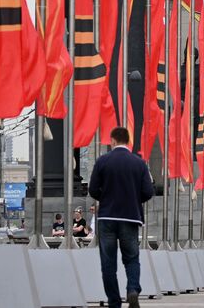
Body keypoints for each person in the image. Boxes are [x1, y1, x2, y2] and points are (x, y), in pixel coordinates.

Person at [87, 126, 155, 308]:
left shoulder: (103, 161)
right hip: (130, 217)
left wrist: (106, 197)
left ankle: (114, 302)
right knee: (132, 258)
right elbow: (148, 192)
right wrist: (132, 198)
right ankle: (132, 289)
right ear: (128, 141)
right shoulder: (139, 163)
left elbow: (93, 189)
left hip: (107, 217)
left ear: (113, 141)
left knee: (108, 262)